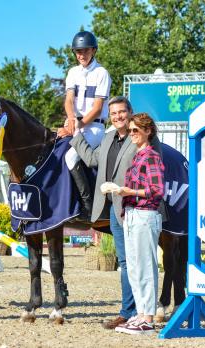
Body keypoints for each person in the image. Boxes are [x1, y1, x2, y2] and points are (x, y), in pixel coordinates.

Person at [70, 97, 162, 330]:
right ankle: (132, 311)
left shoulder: (141, 137)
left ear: (130, 113)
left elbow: (154, 181)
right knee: (126, 261)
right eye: (113, 113)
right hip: (116, 208)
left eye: (122, 112)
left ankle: (141, 313)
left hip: (140, 207)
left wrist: (127, 190)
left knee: (142, 262)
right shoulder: (109, 137)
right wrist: (76, 134)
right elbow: (91, 159)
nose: (118, 116)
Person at [114, 113, 164, 335]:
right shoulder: (137, 156)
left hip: (145, 214)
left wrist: (129, 191)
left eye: (136, 130)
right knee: (134, 267)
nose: (132, 134)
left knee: (145, 267)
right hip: (133, 213)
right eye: (131, 130)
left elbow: (157, 190)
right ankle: (141, 313)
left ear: (148, 132)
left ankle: (148, 318)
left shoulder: (151, 156)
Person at [58, 30, 112, 220]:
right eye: (78, 52)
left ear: (93, 51)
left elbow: (97, 108)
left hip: (95, 126)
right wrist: (72, 119)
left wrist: (78, 124)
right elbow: (68, 100)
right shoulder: (72, 72)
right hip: (77, 123)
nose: (81, 55)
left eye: (85, 51)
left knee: (71, 157)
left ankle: (88, 206)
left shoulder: (101, 73)